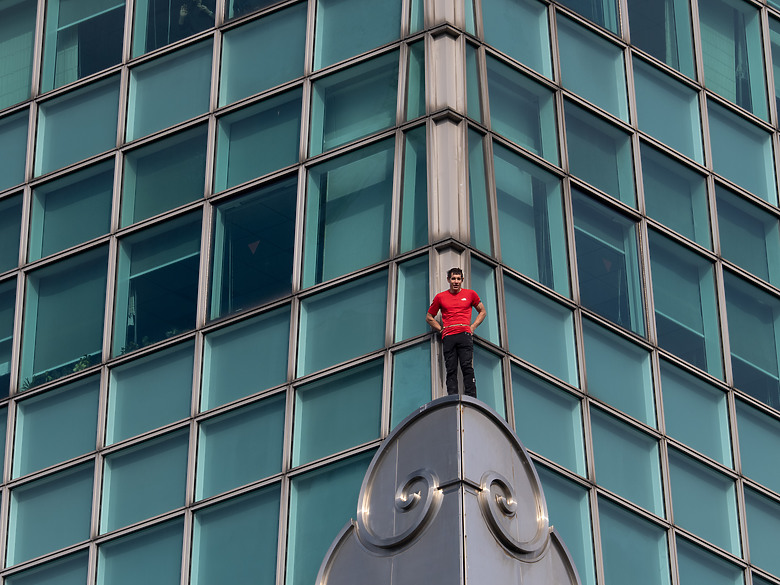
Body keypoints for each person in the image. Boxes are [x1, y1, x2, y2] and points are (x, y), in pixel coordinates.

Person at [426, 267, 487, 397]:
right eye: (453, 278)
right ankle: (452, 398)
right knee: (451, 369)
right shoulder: (440, 297)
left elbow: (482, 311)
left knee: (467, 367)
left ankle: (472, 398)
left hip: (464, 334)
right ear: (448, 279)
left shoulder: (470, 294)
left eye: (458, 279)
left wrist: (473, 326)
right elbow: (429, 317)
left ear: (462, 280)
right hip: (449, 336)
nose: (456, 281)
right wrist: (441, 329)